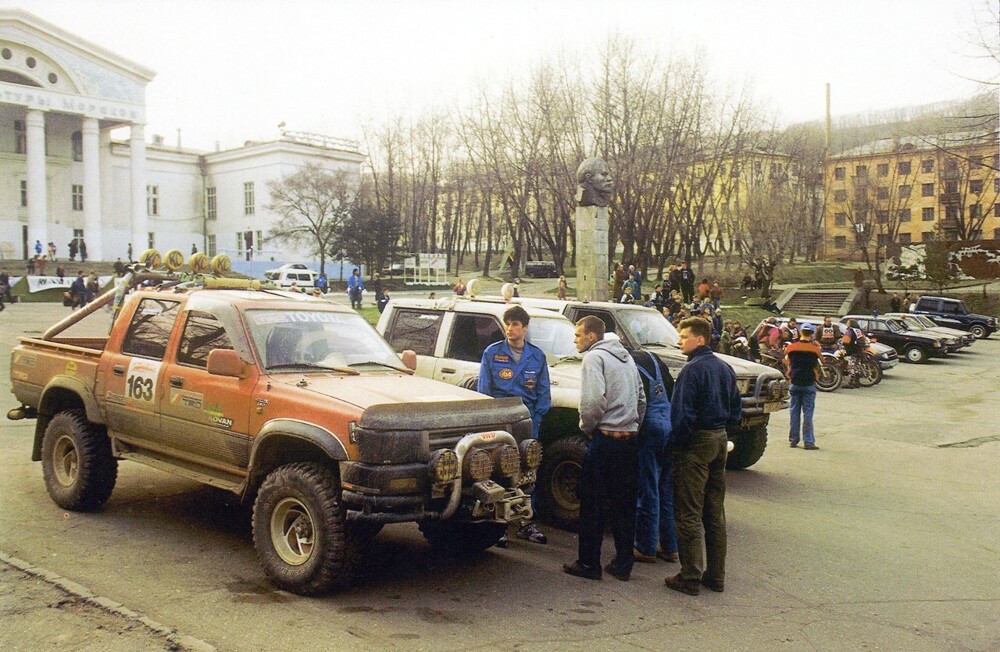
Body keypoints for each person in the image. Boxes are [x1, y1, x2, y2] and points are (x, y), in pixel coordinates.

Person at [563, 316, 646, 582]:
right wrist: (632, 426)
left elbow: (592, 402)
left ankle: (589, 564)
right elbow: (641, 398)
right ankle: (623, 564)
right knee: (624, 506)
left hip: (605, 441)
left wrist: (588, 428)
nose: (575, 340)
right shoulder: (627, 358)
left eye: (578, 335)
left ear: (591, 336)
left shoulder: (593, 358)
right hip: (629, 442)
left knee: (592, 505)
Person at [664, 317, 741, 596]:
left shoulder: (691, 370)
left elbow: (681, 414)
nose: (680, 341)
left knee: (688, 511)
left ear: (700, 339)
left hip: (696, 442)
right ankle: (716, 575)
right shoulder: (724, 367)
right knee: (714, 511)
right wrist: (725, 432)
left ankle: (690, 576)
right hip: (719, 438)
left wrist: (677, 445)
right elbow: (736, 408)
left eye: (684, 337)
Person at [478, 306, 551, 545]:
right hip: (499, 423)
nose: (510, 329)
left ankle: (526, 523)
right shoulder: (492, 353)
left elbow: (544, 395)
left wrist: (535, 422)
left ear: (525, 328)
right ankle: (499, 526)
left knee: (527, 473)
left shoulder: (537, 356)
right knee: (498, 472)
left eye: (515, 324)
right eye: (507, 324)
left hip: (527, 422)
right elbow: (484, 392)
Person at [631, 350, 679, 566]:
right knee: (664, 488)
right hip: (668, 422)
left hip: (650, 428)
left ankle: (645, 546)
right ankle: (670, 546)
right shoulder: (652, 358)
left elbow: (637, 402)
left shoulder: (628, 364)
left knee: (648, 488)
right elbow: (671, 390)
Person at [784, 322, 822, 450]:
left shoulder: (791, 347)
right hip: (809, 384)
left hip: (795, 383)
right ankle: (808, 442)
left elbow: (786, 361)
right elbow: (822, 361)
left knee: (794, 412)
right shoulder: (815, 348)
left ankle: (793, 440)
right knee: (808, 414)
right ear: (812, 334)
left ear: (800, 332)